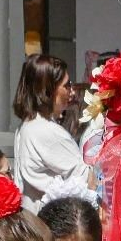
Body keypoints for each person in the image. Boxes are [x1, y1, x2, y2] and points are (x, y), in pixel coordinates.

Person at [11, 53, 85, 211]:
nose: (71, 92)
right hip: (52, 223)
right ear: (48, 91)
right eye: (66, 86)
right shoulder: (44, 130)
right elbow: (85, 179)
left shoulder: (29, 125)